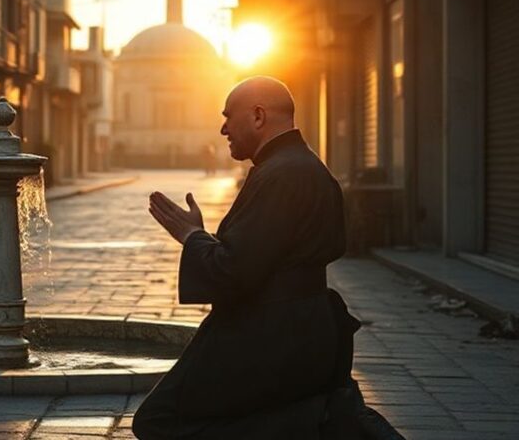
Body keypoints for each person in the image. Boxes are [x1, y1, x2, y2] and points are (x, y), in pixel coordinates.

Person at [135, 76, 402, 439]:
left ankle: (320, 420)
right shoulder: (295, 167)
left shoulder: (285, 174)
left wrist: (192, 236)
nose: (223, 128)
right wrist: (199, 237)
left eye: (229, 117)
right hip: (295, 326)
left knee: (158, 420)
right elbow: (261, 253)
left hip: (271, 334)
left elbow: (233, 271)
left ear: (258, 116)